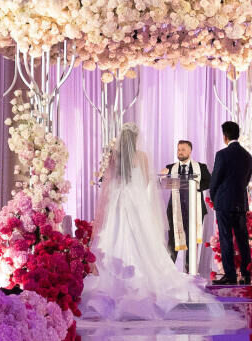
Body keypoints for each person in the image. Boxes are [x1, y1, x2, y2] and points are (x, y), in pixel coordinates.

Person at [81, 123, 216, 321]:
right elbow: (146, 182)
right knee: (143, 238)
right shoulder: (142, 156)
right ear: (136, 139)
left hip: (118, 203)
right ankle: (146, 275)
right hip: (136, 203)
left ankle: (115, 280)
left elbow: (109, 182)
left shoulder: (115, 157)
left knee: (116, 234)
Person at [208, 122, 252, 286]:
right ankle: (247, 274)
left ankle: (230, 275)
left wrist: (214, 197)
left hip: (224, 202)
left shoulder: (222, 154)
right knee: (242, 239)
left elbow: (215, 180)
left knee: (226, 238)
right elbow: (247, 180)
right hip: (240, 202)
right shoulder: (247, 156)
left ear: (225, 136)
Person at [161, 140, 211, 264]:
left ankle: (191, 268)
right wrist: (162, 176)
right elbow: (161, 182)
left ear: (190, 151)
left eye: (183, 149)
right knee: (173, 240)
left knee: (192, 240)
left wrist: (195, 186)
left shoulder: (200, 167)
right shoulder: (170, 167)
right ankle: (169, 269)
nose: (180, 152)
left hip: (194, 208)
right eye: (178, 149)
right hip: (175, 209)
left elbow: (209, 182)